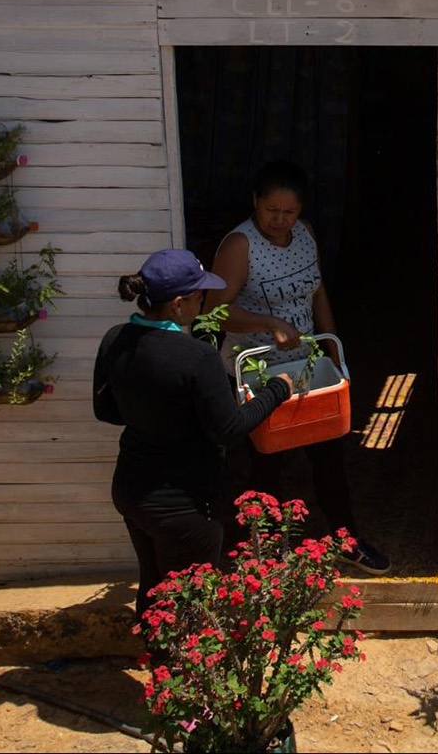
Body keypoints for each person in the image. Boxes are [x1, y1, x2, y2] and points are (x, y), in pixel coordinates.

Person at [206, 159, 390, 575]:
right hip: (257, 372)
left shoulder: (305, 235)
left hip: (306, 366)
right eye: (271, 210)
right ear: (254, 202)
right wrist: (266, 323)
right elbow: (212, 313)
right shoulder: (239, 245)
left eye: (289, 212)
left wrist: (333, 350)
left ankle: (346, 539)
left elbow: (318, 292)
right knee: (268, 463)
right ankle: (264, 554)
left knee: (329, 457)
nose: (279, 220)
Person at [94, 248, 296, 618]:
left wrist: (153, 413)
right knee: (190, 608)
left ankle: (156, 663)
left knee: (154, 587)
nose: (204, 300)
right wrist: (277, 390)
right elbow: (229, 429)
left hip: (131, 490)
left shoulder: (114, 339)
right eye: (199, 295)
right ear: (177, 304)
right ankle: (178, 673)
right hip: (183, 506)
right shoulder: (196, 357)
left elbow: (105, 411)